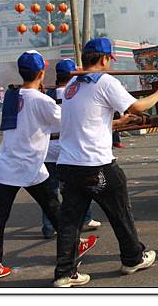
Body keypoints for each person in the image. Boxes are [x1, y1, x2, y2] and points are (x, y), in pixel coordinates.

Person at [54, 38, 158, 288]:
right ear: (104, 59)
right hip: (95, 165)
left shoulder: (72, 85)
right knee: (120, 211)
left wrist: (116, 124)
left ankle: (65, 272)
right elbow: (138, 107)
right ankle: (132, 257)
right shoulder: (105, 81)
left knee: (70, 222)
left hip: (68, 165)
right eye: (109, 59)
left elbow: (86, 122)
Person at [0, 51, 96, 282]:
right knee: (55, 209)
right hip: (30, 166)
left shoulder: (12, 95)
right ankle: (71, 255)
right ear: (42, 73)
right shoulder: (42, 101)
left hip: (6, 165)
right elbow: (68, 123)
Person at [41, 59, 103, 239]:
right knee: (77, 188)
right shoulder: (75, 95)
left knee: (50, 191)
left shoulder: (46, 96)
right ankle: (82, 221)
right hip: (69, 149)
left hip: (48, 149)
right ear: (72, 76)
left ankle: (48, 227)